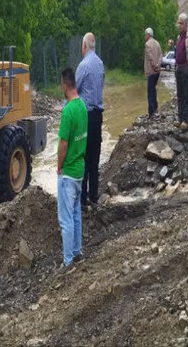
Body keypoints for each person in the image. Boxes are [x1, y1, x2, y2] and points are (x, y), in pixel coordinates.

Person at [57, 68, 88, 268]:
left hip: (68, 172)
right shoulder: (83, 106)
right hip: (80, 170)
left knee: (66, 219)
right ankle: (77, 253)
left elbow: (63, 144)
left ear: (65, 85)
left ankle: (68, 262)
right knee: (76, 214)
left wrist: (59, 167)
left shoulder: (68, 111)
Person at [75, 33, 104, 207]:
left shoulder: (83, 65)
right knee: (95, 157)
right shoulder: (100, 64)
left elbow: (74, 92)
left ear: (85, 46)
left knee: (83, 157)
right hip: (97, 116)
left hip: (85, 117)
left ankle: (82, 200)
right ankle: (94, 197)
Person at [144, 28, 162, 117]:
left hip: (151, 71)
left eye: (145, 35)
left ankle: (151, 112)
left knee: (150, 91)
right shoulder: (157, 43)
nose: (144, 37)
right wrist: (158, 65)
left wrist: (155, 65)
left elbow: (150, 57)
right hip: (157, 72)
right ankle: (156, 108)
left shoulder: (147, 44)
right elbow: (160, 55)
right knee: (154, 90)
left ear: (148, 34)